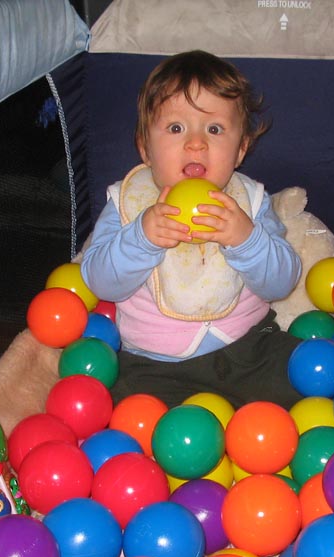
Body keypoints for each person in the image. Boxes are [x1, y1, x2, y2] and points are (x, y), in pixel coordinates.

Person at [81, 49, 303, 408]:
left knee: (307, 375)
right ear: (145, 148)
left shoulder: (249, 201)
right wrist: (141, 239)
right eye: (176, 128)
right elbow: (99, 281)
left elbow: (282, 282)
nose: (196, 142)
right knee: (128, 411)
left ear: (240, 149)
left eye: (214, 129)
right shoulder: (127, 203)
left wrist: (246, 240)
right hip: (155, 365)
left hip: (250, 349)